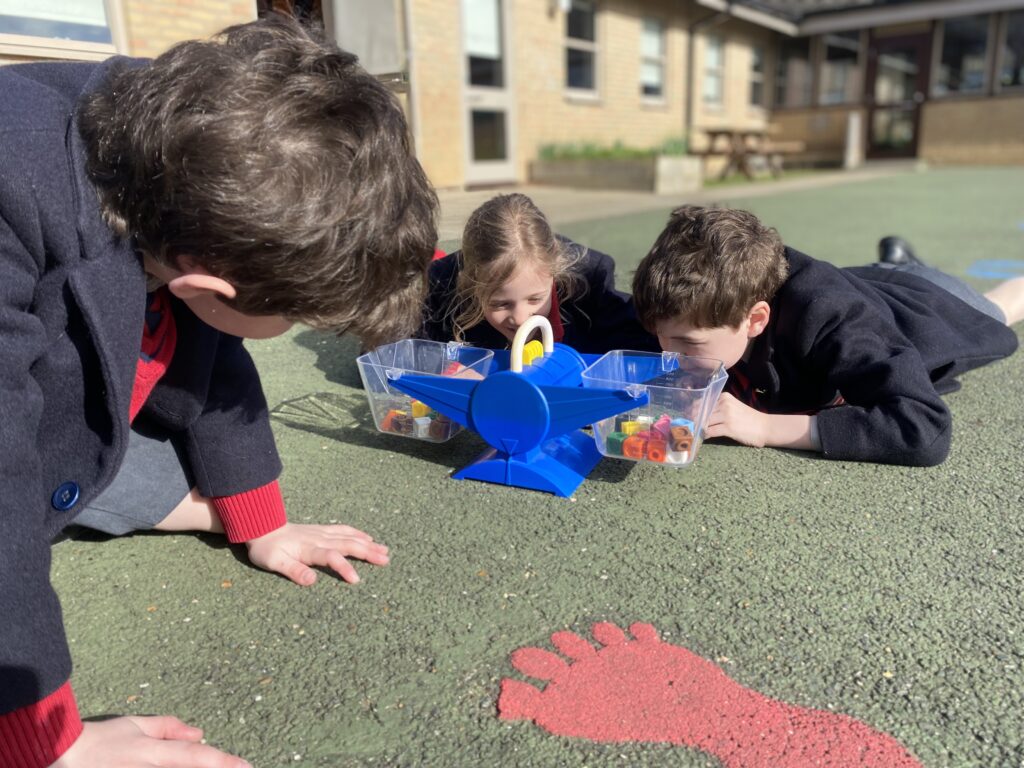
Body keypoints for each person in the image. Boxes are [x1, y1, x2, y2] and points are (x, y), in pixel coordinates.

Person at [0, 15, 438, 768]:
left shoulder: (190, 159)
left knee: (136, 465)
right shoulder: (16, 188)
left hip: (50, 388)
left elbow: (214, 350)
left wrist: (260, 522)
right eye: (296, 316)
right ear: (205, 282)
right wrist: (43, 739)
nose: (297, 326)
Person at [631, 205, 1023, 467]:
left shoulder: (830, 318)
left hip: (928, 305)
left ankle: (906, 266)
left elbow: (923, 429)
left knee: (1000, 309)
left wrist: (766, 428)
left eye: (690, 345)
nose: (669, 355)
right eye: (660, 337)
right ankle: (896, 259)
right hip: (862, 281)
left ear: (755, 320)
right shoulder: (691, 312)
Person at [422, 193, 658, 354]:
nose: (521, 317)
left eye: (535, 299)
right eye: (500, 303)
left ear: (555, 272)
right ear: (472, 284)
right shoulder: (441, 286)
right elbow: (414, 350)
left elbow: (641, 340)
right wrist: (451, 371)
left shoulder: (590, 279)